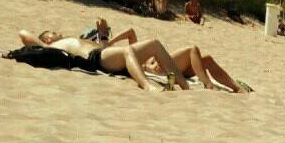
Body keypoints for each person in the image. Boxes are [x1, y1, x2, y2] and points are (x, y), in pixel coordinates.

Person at [18, 29, 189, 92]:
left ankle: (182, 85)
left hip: (105, 53)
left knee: (155, 44)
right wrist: (43, 43)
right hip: (96, 58)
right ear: (47, 39)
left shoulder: (69, 39)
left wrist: (103, 34)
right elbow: (23, 33)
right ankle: (147, 86)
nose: (59, 33)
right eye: (53, 33)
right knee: (128, 50)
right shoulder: (51, 46)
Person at [143, 45, 244, 92]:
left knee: (207, 59)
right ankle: (209, 85)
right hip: (161, 68)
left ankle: (237, 88)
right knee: (193, 49)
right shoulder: (137, 57)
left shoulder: (140, 50)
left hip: (171, 68)